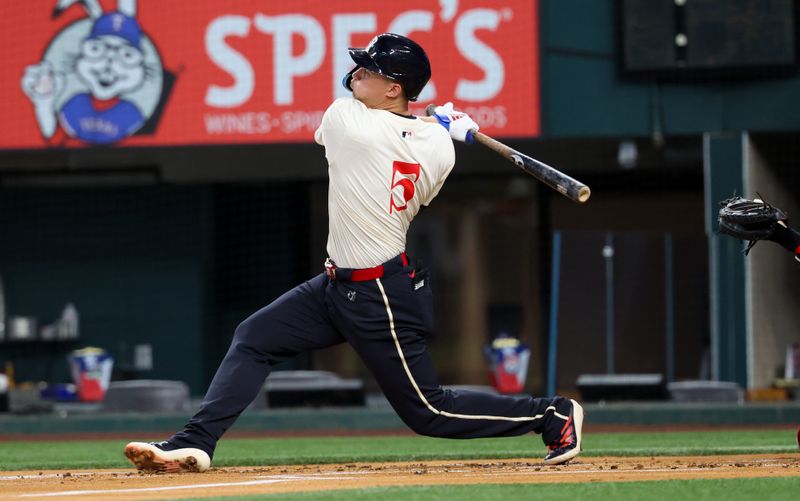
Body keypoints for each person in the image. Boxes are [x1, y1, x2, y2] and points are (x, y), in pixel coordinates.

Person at [124, 33, 583, 473]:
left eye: (370, 69)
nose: (355, 73)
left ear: (394, 88)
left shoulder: (345, 119)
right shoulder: (440, 147)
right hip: (335, 286)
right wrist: (445, 126)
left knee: (428, 411)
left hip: (380, 293)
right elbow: (404, 139)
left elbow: (377, 135)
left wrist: (429, 121)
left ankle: (552, 415)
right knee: (254, 338)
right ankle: (196, 442)